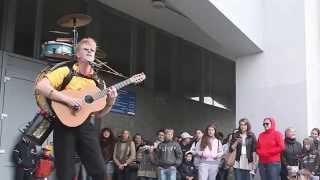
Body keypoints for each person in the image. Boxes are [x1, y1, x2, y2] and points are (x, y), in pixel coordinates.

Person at [35, 37, 118, 180]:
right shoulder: (65, 71)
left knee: (100, 171)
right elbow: (41, 86)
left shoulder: (98, 82)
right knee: (65, 173)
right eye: (86, 49)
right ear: (78, 54)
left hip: (85, 125)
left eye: (92, 50)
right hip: (63, 124)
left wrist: (110, 102)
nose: (90, 51)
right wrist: (68, 100)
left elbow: (99, 114)